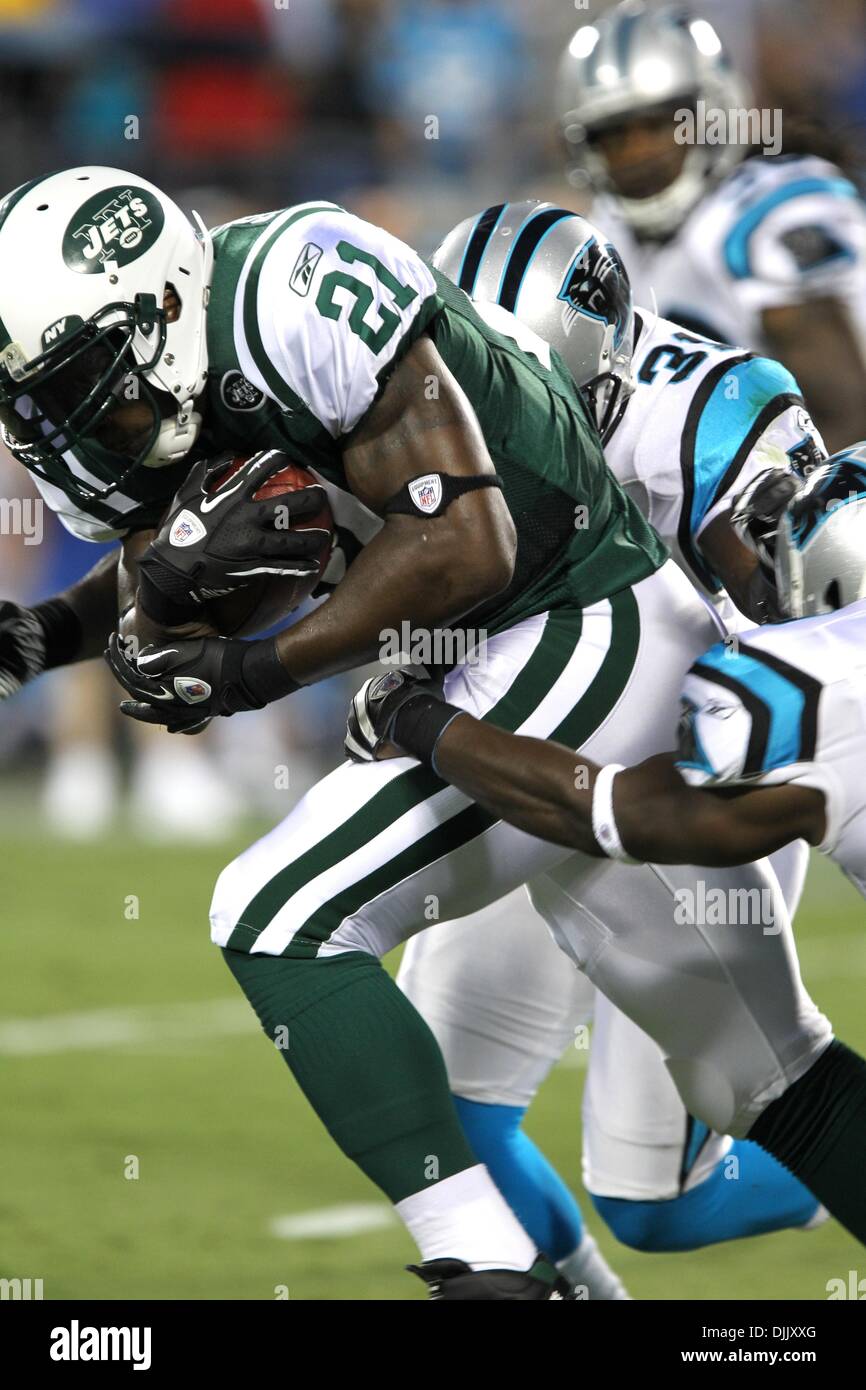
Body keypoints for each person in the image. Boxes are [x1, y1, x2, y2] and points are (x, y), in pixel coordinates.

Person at [395, 200, 828, 1273]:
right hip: (521, 765)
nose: (497, 438)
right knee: (437, 1128)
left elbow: (798, 622)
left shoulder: (715, 414)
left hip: (681, 803)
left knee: (656, 1205)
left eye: (523, 401)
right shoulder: (407, 406)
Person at [345, 447, 866, 1252]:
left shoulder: (819, 680)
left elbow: (632, 816)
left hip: (626, 752)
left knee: (773, 1093)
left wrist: (419, 721)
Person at [557, 1, 866, 450]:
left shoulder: (762, 215)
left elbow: (846, 416)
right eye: (615, 136)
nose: (639, 151)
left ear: (713, 113)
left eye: (658, 125)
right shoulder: (605, 237)